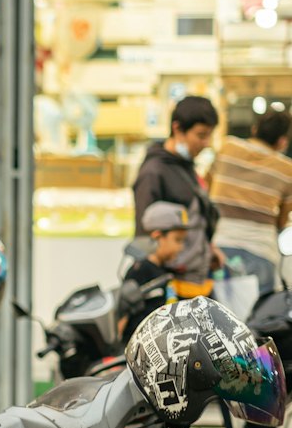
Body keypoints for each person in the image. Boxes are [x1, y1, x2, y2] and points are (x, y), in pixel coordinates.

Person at [132, 96, 223, 294]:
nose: (206, 143)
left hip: (197, 280)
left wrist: (208, 250)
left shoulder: (186, 167)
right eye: (201, 135)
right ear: (178, 129)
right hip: (173, 287)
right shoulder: (154, 172)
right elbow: (144, 236)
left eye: (209, 136)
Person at [209, 109, 292, 298]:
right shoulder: (287, 170)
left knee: (215, 317)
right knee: (257, 319)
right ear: (282, 141)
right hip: (261, 250)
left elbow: (208, 187)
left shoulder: (227, 147)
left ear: (254, 129)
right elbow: (281, 220)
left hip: (220, 247)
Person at [117, 202, 191, 344]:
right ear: (158, 236)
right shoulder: (140, 270)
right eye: (177, 240)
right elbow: (123, 312)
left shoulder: (164, 270)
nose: (181, 247)